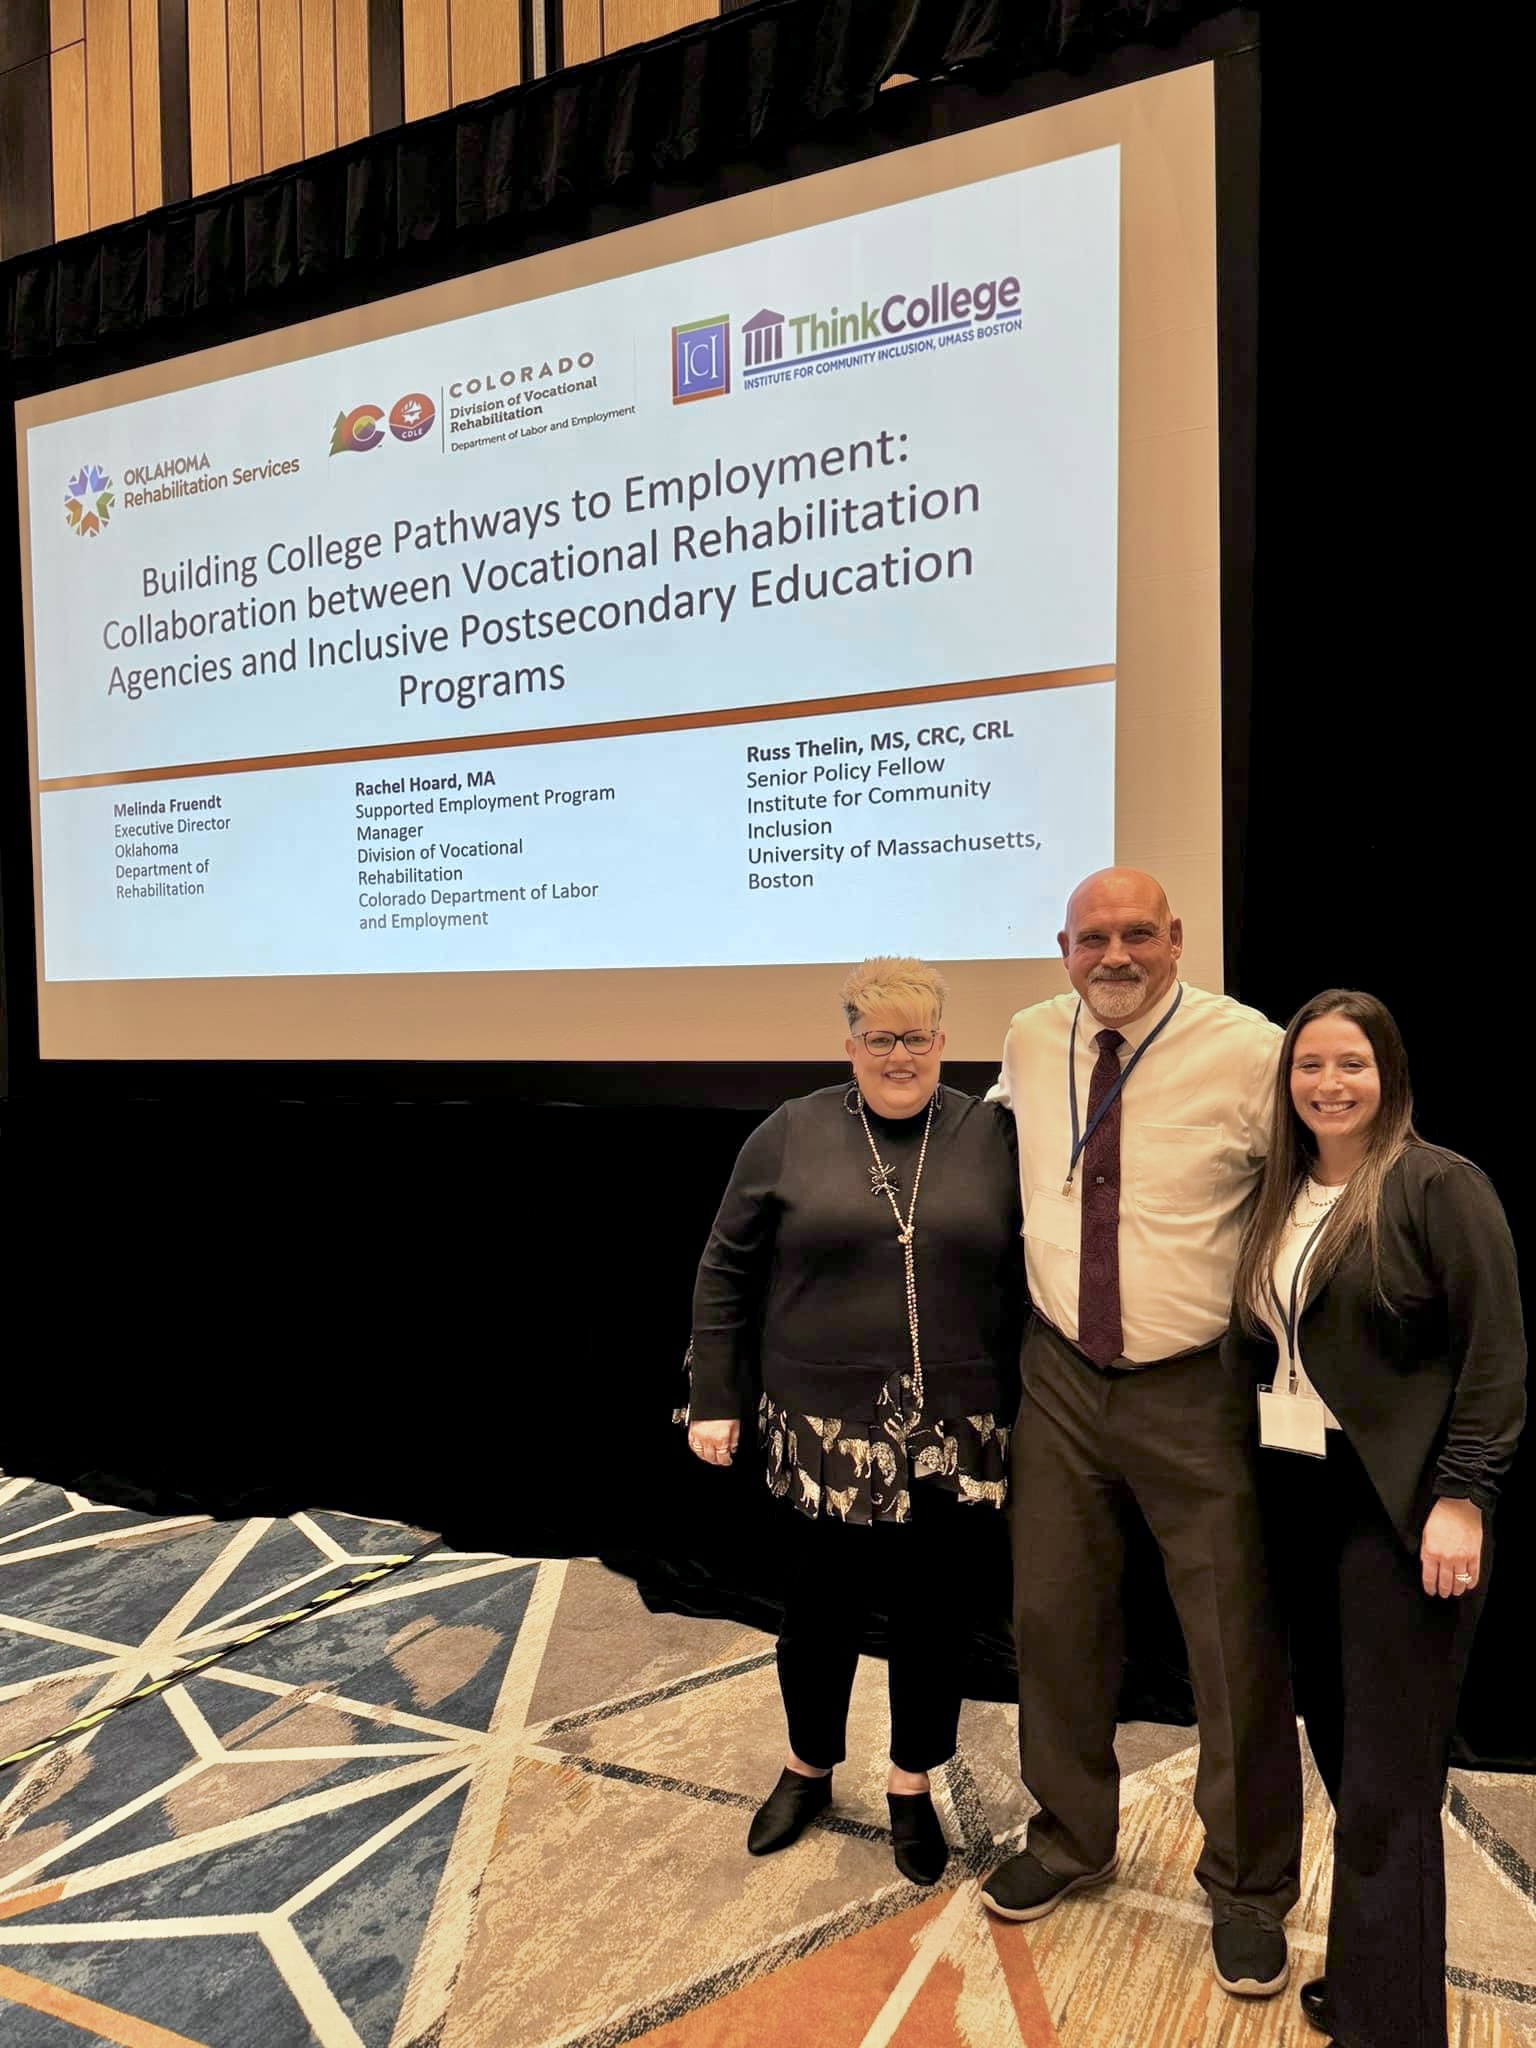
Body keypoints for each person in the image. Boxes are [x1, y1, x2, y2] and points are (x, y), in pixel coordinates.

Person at [980, 867, 1302, 2000]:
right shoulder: (1028, 1037)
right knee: (1054, 1617)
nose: (1113, 955)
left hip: (1192, 1386)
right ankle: (1069, 1834)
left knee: (1231, 1641)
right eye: (1091, 938)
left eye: (1136, 935)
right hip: (1060, 1371)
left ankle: (1252, 1883)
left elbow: (1315, 1185)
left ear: (1177, 937)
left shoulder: (1252, 1048)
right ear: (1063, 947)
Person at [1226, 990, 1525, 2048]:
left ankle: (1387, 2025)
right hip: (1302, 1496)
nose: (1327, 1083)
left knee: (1391, 1780)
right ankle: (1374, 1979)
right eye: (1310, 1064)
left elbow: (1494, 1360)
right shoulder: (1283, 1192)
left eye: (1349, 1062)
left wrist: (1464, 1496)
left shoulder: (1440, 1186)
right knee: (1347, 1751)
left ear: (1387, 1072)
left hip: (1404, 1509)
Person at [683, 957, 1024, 1885]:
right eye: (880, 1038)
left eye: (917, 1037)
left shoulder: (994, 1135)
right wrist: (712, 1395)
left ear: (944, 1044)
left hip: (959, 1434)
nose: (900, 1055)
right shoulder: (790, 1132)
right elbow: (726, 1270)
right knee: (819, 1615)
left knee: (936, 1620)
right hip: (821, 1433)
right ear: (850, 1045)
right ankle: (808, 1768)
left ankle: (912, 1783)